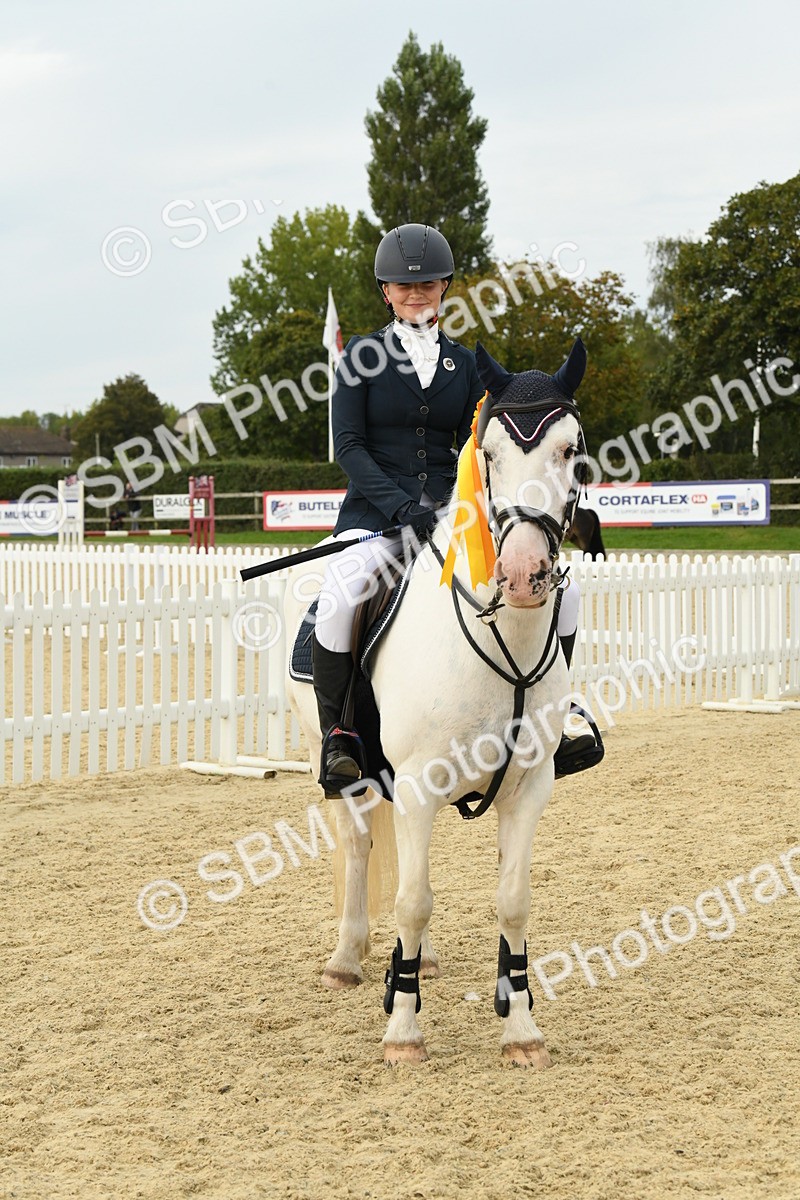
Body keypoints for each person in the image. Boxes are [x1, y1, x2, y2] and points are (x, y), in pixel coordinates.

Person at [312, 222, 484, 795]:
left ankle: (548, 721)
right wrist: (401, 506)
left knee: (561, 591)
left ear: (444, 288)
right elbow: (349, 448)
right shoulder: (360, 356)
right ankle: (339, 736)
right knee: (339, 596)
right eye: (403, 286)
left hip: (449, 519)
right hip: (374, 519)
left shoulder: (466, 365)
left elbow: (470, 446)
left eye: (428, 284)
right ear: (386, 291)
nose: (416, 293)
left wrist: (453, 506)